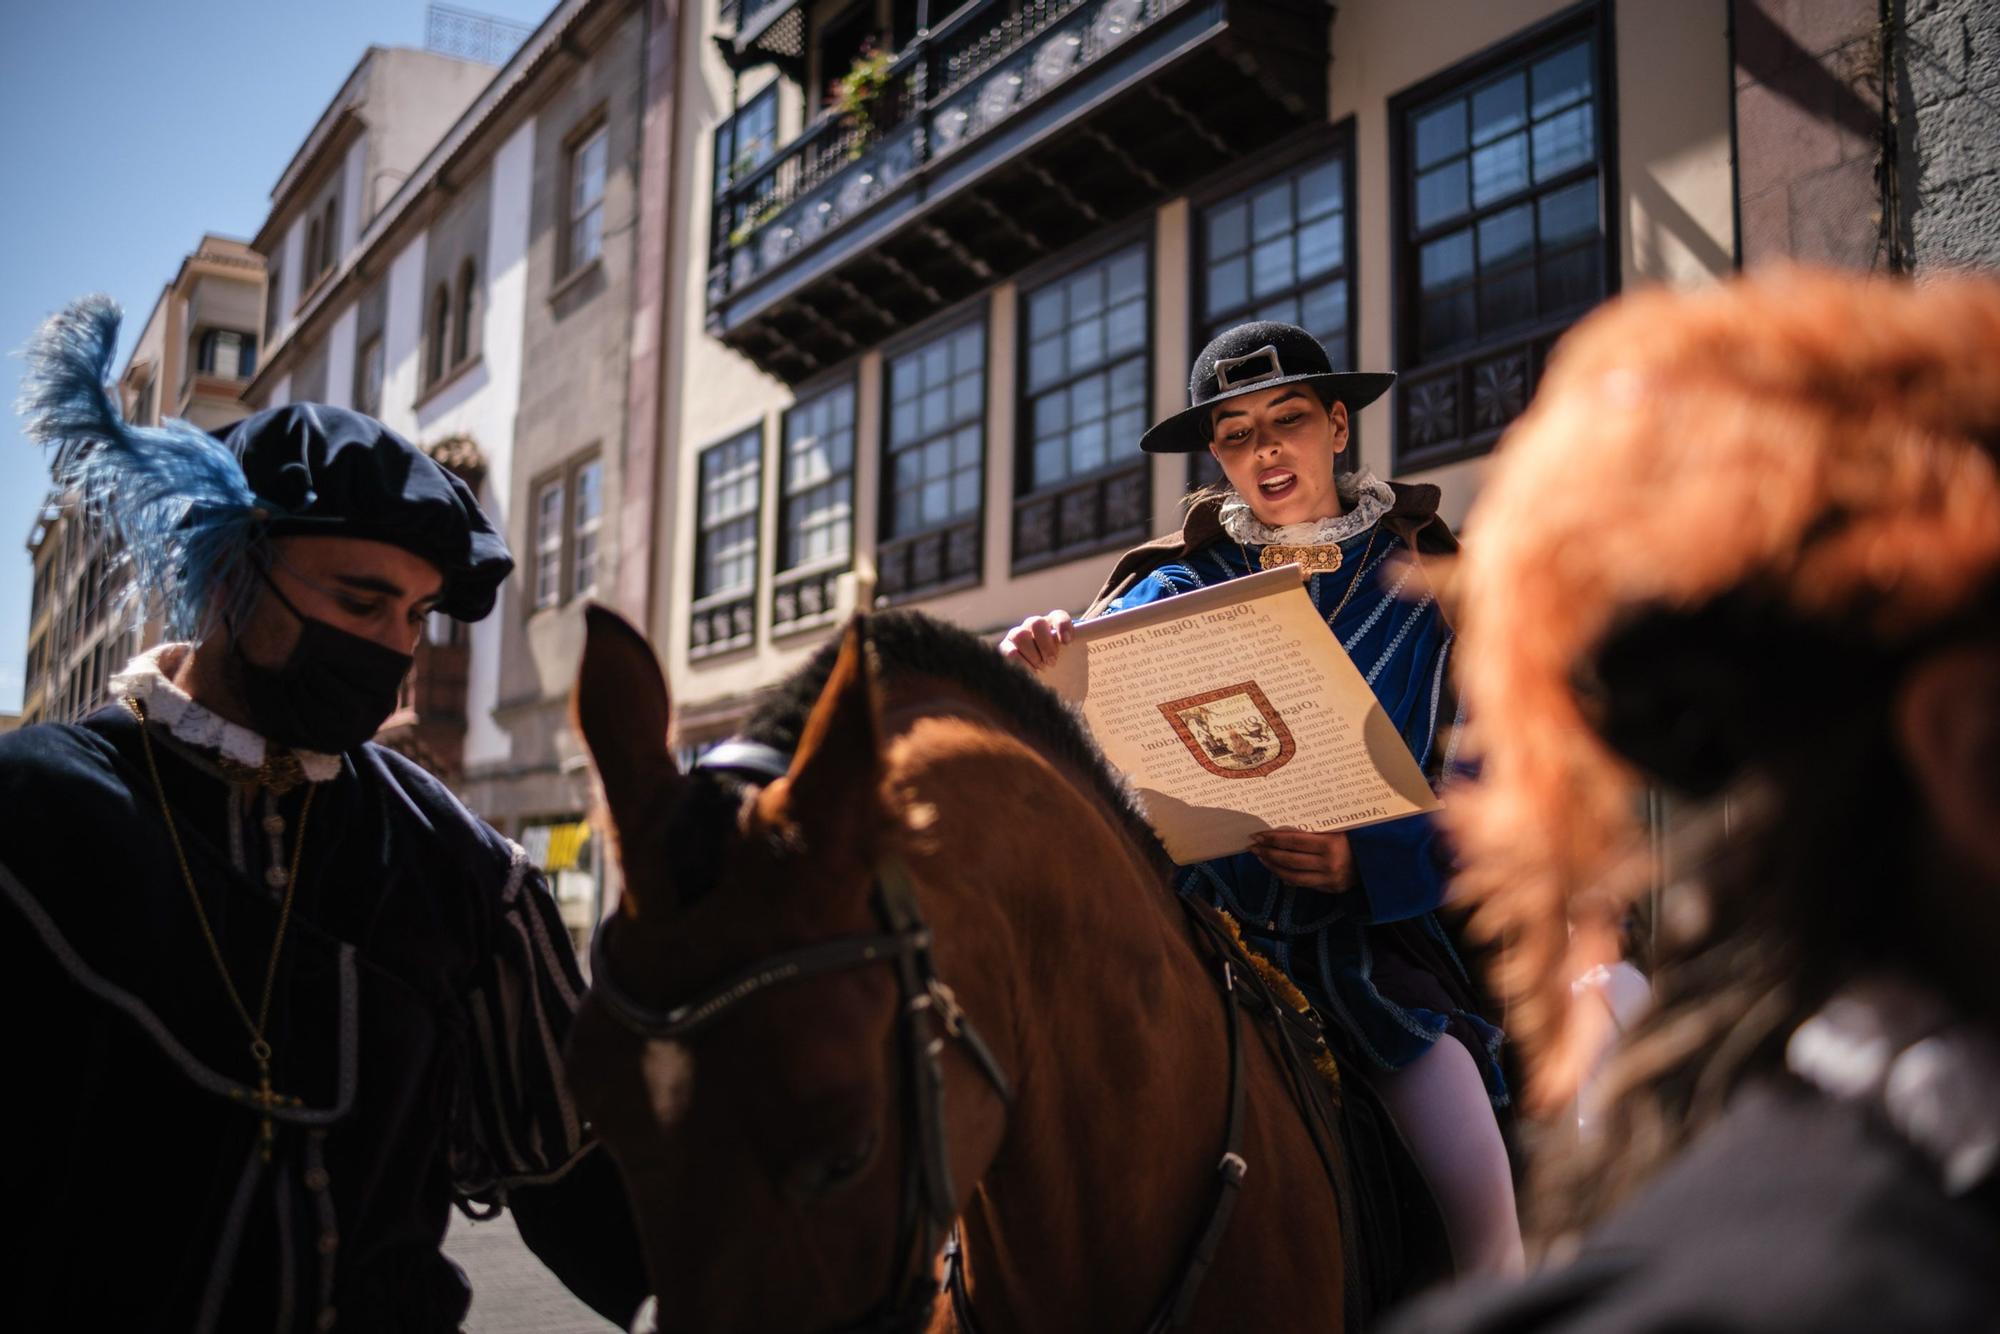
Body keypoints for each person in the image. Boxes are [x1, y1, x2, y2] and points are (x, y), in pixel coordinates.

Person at [0, 296, 647, 1332]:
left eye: (415, 615)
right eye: (359, 601)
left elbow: (586, 1182)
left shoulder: (461, 872)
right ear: (231, 569)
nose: (395, 646)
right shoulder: (31, 818)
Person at [1387, 270, 2000, 1332]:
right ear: (1973, 746)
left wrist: (1364, 861)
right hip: (1269, 932)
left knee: (1467, 1170)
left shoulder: (1393, 572)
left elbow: (1448, 803)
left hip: (1386, 951)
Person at [1001, 321, 1524, 1278]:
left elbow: (1495, 795)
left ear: (1335, 425)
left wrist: (1364, 859)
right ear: (1218, 457)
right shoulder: (1179, 580)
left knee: (1477, 1192)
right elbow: (1092, 657)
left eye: (1286, 420)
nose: (1266, 450)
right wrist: (1049, 653)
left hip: (1372, 955)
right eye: (1237, 434)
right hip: (1201, 939)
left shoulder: (1443, 590)